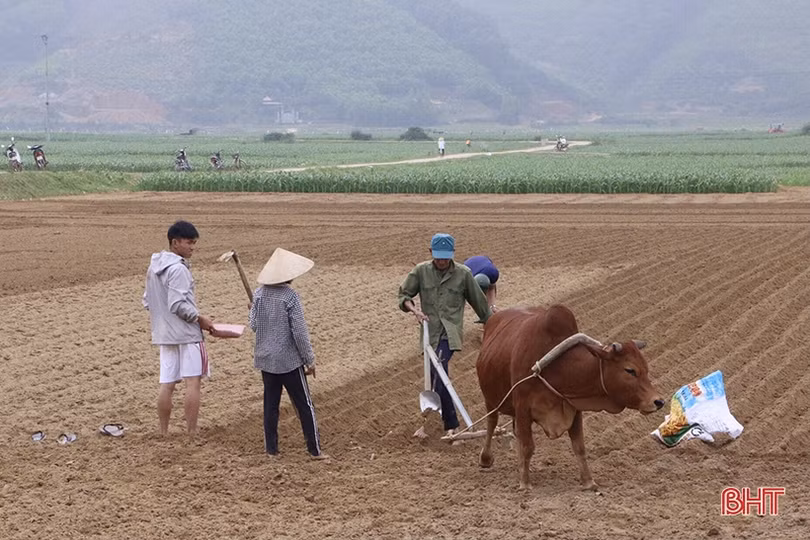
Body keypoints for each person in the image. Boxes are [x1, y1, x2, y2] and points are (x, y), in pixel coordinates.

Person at [398, 233, 492, 438]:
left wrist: (493, 326)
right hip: (429, 334)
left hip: (450, 333)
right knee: (435, 376)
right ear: (431, 253)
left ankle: (452, 425)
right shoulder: (421, 271)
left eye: (445, 257)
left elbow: (480, 305)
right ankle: (440, 423)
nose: (441, 261)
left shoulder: (463, 274)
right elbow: (404, 295)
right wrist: (414, 310)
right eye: (438, 256)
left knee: (439, 369)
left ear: (452, 254)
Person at [249, 247, 327, 460]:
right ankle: (314, 450)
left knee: (270, 405)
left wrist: (252, 309)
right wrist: (309, 360)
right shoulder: (290, 296)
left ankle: (271, 450)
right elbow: (300, 332)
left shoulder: (258, 294)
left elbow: (254, 325)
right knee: (305, 405)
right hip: (289, 360)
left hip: (266, 359)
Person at [143, 220, 217, 437]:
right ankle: (192, 432)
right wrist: (199, 319)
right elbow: (177, 304)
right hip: (187, 334)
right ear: (175, 243)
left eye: (194, 243)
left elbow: (147, 301)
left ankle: (163, 431)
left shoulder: (153, 268)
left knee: (167, 384)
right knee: (192, 382)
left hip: (164, 335)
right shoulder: (179, 269)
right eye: (189, 242)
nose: (192, 247)